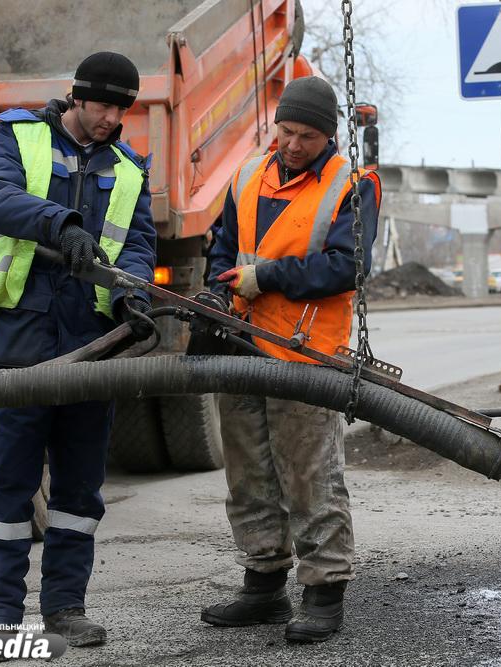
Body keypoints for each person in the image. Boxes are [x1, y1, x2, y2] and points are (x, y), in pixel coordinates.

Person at [0, 51, 156, 648]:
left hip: (92, 344)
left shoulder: (129, 169)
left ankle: (65, 611)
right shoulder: (17, 135)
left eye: (120, 108)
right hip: (20, 342)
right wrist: (62, 224)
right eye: (102, 104)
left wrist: (134, 296)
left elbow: (138, 244)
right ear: (76, 97)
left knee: (78, 492)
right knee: (8, 489)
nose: (110, 118)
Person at [199, 76, 381, 643]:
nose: (294, 144)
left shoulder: (353, 183)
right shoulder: (250, 173)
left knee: (309, 477)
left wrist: (264, 277)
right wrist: (214, 288)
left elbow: (347, 266)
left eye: (307, 136)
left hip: (307, 354)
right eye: (286, 131)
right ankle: (264, 586)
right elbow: (222, 247)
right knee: (248, 473)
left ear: (327, 137)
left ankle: (325, 593)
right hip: (241, 343)